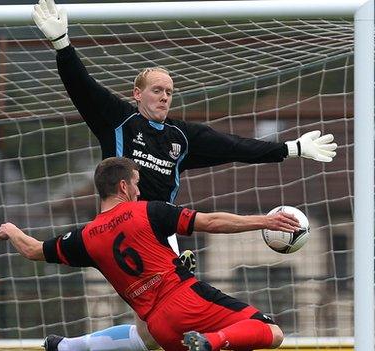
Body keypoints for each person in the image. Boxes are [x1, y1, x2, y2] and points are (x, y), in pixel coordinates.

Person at [31, 0, 338, 349]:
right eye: (156, 90)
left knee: (153, 334)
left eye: (169, 92)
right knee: (157, 329)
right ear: (137, 94)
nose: (164, 97)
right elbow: (82, 88)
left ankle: (66, 347)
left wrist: (290, 149)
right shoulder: (118, 119)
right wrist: (62, 46)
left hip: (162, 230)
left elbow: (235, 147)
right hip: (123, 228)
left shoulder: (181, 137)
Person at [0, 157, 301, 351]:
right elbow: (210, 222)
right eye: (137, 185)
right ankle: (211, 341)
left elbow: (33, 250)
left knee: (144, 339)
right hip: (187, 301)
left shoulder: (85, 238)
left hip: (159, 327)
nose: (139, 191)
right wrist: (264, 221)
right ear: (123, 185)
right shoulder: (147, 211)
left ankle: (67, 347)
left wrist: (11, 230)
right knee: (270, 331)